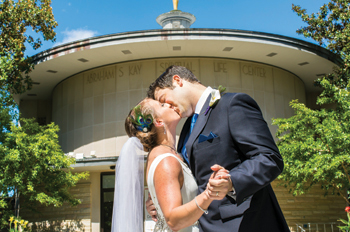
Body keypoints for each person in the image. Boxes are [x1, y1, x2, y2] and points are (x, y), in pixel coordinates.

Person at [146, 65, 290, 232]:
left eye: (164, 99)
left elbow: (269, 157)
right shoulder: (185, 130)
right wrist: (163, 201)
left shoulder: (232, 104)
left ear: (177, 81)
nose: (168, 107)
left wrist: (231, 182)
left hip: (245, 224)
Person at [112, 98, 231, 232]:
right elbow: (173, 221)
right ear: (158, 122)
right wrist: (208, 194)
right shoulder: (166, 161)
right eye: (162, 105)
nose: (169, 103)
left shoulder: (170, 154)